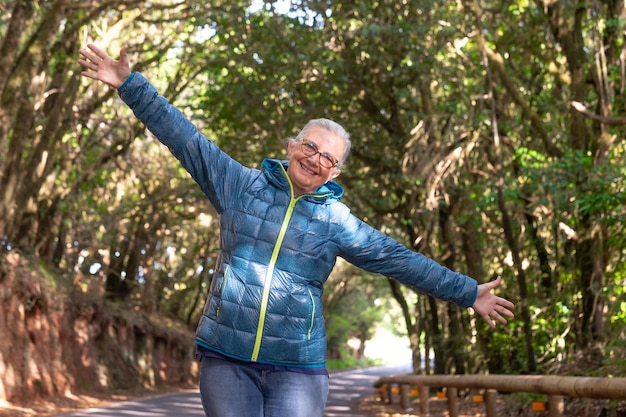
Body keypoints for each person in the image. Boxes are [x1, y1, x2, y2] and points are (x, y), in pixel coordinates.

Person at [78, 44, 515, 417]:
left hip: (297, 369)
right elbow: (185, 138)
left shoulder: (336, 221)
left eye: (328, 157)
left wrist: (467, 291)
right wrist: (129, 85)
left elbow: (399, 259)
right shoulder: (238, 184)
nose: (316, 159)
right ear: (291, 147)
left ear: (335, 171)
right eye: (310, 146)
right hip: (227, 358)